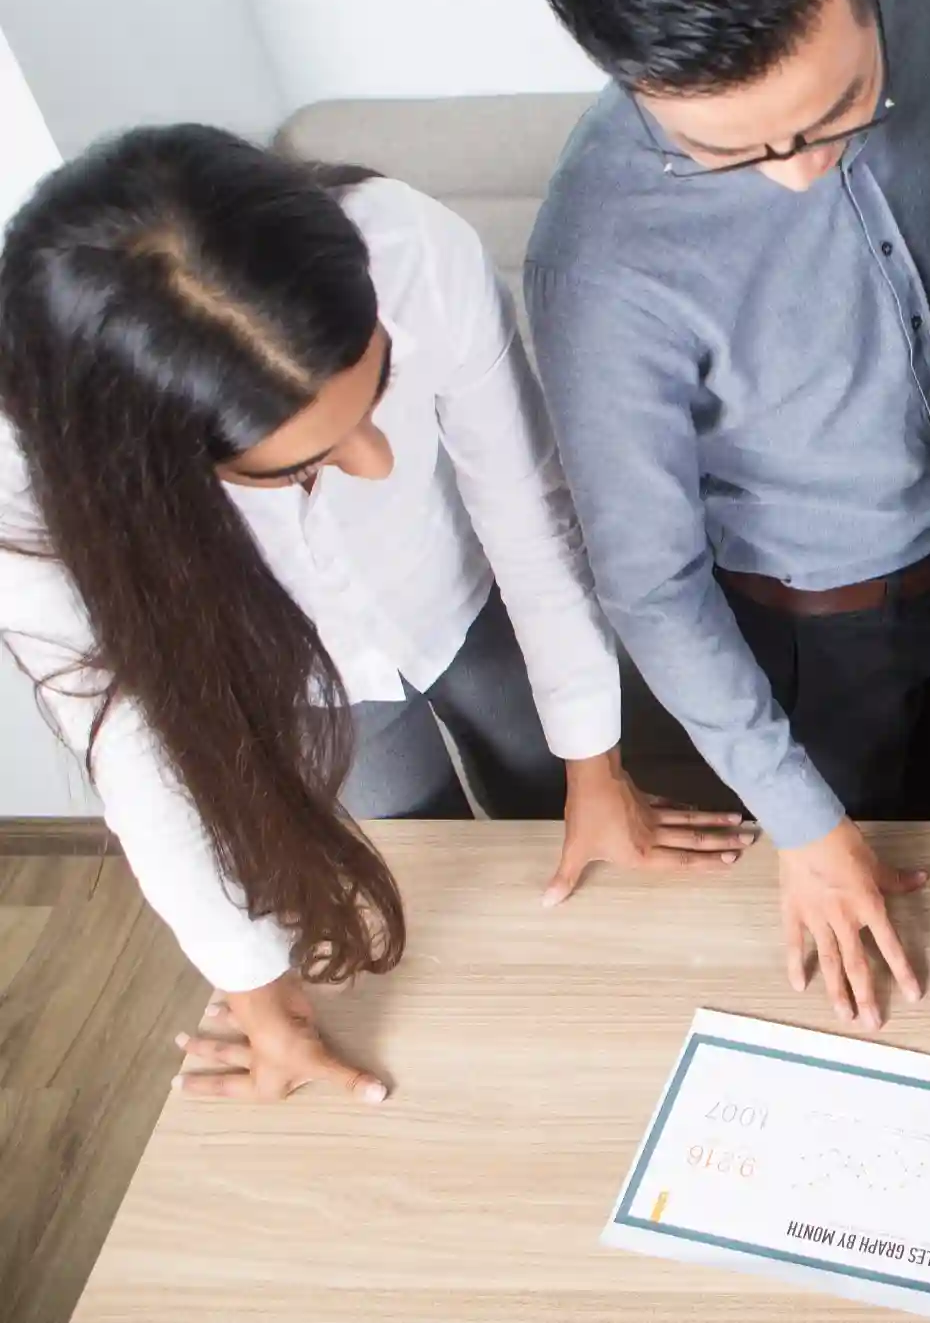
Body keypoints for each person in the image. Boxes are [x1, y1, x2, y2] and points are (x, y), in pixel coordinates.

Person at [0, 126, 750, 1103]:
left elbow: (529, 513)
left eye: (379, 389)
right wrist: (260, 1001)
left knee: (574, 801)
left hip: (474, 594)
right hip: (296, 680)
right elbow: (132, 749)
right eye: (300, 466)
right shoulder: (29, 496)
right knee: (418, 882)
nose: (376, 462)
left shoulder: (408, 248)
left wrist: (595, 769)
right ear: (158, 482)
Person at [526, 0, 930, 1032]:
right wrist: (805, 824)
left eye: (840, 110)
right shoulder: (598, 262)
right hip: (818, 633)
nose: (796, 169)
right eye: (727, 149)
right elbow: (651, 586)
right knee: (868, 941)